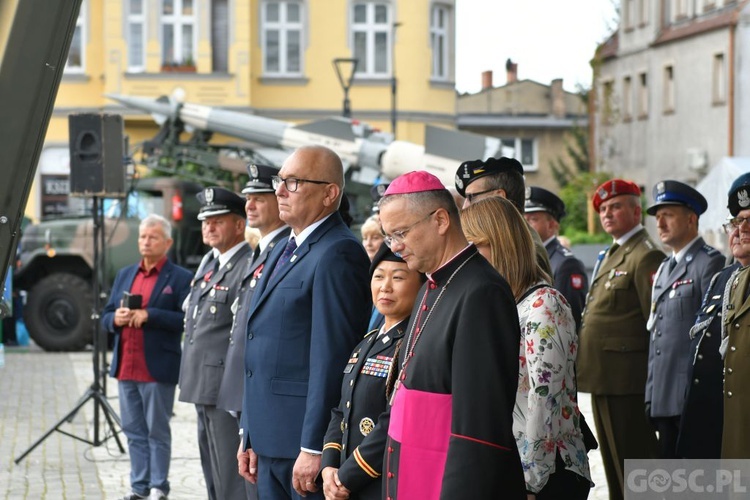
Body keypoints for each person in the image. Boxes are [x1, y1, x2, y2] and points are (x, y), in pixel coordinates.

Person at [378, 171, 526, 499]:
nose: (396, 247)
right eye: (389, 237)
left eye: (400, 233)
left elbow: (479, 428)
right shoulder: (431, 286)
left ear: (441, 220)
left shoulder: (481, 292)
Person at [237, 145, 371, 500]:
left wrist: (315, 446)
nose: (279, 189)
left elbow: (332, 358)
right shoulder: (285, 246)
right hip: (269, 438)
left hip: (302, 447)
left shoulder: (338, 253)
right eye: (280, 180)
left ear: (330, 193)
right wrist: (249, 432)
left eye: (293, 182)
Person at [461, 197, 592, 499]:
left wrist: (530, 481)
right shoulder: (504, 302)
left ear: (502, 244)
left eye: (475, 247)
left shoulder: (543, 303)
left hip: (545, 475)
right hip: (510, 468)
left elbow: (544, 400)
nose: (469, 259)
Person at [577, 179, 664, 500]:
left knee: (636, 466)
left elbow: (655, 325)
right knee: (615, 466)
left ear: (635, 210)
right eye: (603, 209)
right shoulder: (613, 253)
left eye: (615, 207)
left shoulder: (645, 256)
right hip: (605, 377)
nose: (607, 214)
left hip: (628, 380)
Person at [320, 243, 425, 500]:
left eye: (398, 277)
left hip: (380, 483)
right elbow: (341, 409)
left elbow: (394, 421)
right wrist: (329, 465)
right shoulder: (368, 341)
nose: (385, 287)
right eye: (379, 276)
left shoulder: (414, 344)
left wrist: (348, 476)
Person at [102, 214, 192, 500]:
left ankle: (158, 487)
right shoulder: (125, 274)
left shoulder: (180, 278)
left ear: (167, 242)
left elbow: (186, 320)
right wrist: (115, 318)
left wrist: (150, 315)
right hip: (126, 367)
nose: (145, 241)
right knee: (133, 432)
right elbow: (104, 316)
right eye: (142, 236)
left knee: (157, 431)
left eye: (152, 237)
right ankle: (138, 487)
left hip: (157, 369)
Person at [218, 164, 290, 499]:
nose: (249, 205)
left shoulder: (285, 250)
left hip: (264, 393)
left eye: (259, 198)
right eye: (248, 198)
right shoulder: (261, 250)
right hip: (244, 388)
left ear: (279, 200)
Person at [179, 187, 252, 500]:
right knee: (212, 470)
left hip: (224, 386)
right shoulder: (211, 264)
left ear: (239, 225)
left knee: (230, 476)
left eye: (217, 221)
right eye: (206, 221)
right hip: (202, 381)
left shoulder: (247, 266)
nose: (208, 226)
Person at [644, 180, 724, 459]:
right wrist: (651, 393)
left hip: (691, 398)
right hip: (664, 397)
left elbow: (710, 333)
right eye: (657, 216)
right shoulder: (665, 267)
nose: (660, 223)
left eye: (668, 214)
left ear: (691, 218)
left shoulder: (710, 262)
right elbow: (657, 333)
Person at [677, 218, 743, 458]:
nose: (740, 230)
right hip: (707, 414)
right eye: (735, 222)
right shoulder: (722, 278)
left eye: (749, 221)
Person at [454, 157, 553, 276]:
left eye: (471, 197)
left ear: (499, 197)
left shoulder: (523, 250)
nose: (465, 207)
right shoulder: (513, 240)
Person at [524, 186, 589, 330]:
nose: (525, 225)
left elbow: (571, 319)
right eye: (523, 219)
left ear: (552, 225)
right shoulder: (528, 257)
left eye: (533, 219)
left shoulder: (566, 263)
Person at [720, 173, 750, 459]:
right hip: (737, 427)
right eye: (737, 221)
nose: (742, 229)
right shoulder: (736, 280)